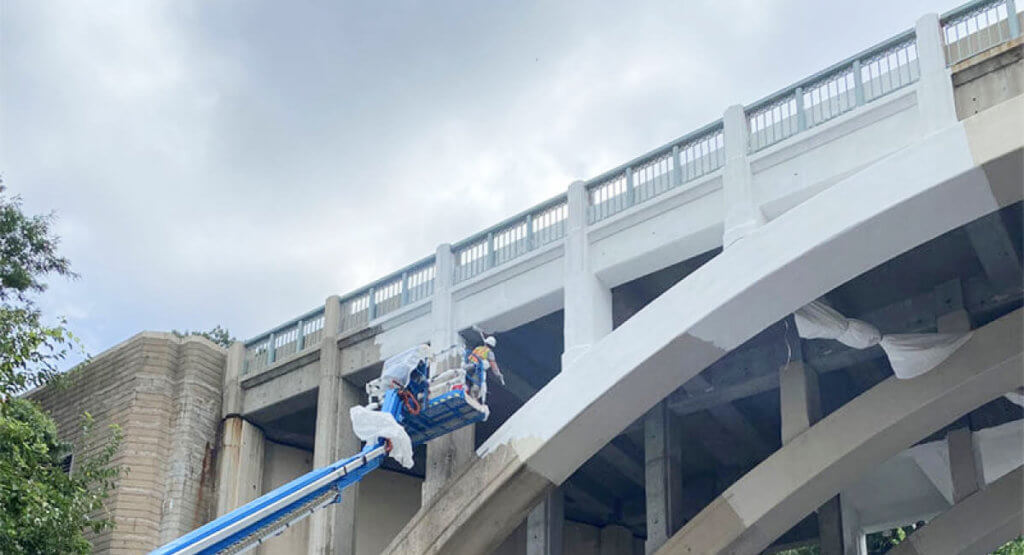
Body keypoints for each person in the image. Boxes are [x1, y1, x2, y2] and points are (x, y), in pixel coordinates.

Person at [465, 336, 504, 401]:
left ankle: (465, 391)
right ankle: (473, 398)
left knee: (467, 381)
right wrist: (498, 374)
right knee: (477, 383)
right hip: (477, 368)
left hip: (469, 366)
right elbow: (493, 365)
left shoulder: (478, 348)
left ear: (485, 343)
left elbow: (469, 357)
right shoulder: (489, 352)